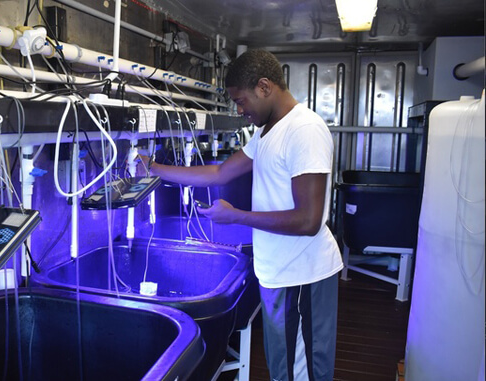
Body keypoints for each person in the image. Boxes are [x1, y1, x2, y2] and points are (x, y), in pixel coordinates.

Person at [139, 49, 343, 381]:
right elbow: (219, 173)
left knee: (303, 371)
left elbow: (309, 221)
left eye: (241, 100)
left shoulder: (304, 130)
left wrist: (238, 216)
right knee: (283, 369)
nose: (239, 109)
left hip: (303, 276)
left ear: (264, 87)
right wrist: (155, 169)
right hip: (279, 272)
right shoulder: (267, 133)